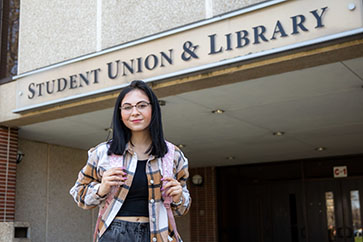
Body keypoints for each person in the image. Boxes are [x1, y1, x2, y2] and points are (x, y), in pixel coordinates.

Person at [70, 80, 191, 242]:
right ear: (120, 113)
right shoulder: (103, 153)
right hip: (115, 234)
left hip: (157, 234)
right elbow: (79, 194)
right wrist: (102, 187)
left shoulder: (172, 155)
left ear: (153, 109)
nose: (134, 112)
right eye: (127, 107)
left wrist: (178, 196)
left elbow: (182, 208)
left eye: (142, 105)